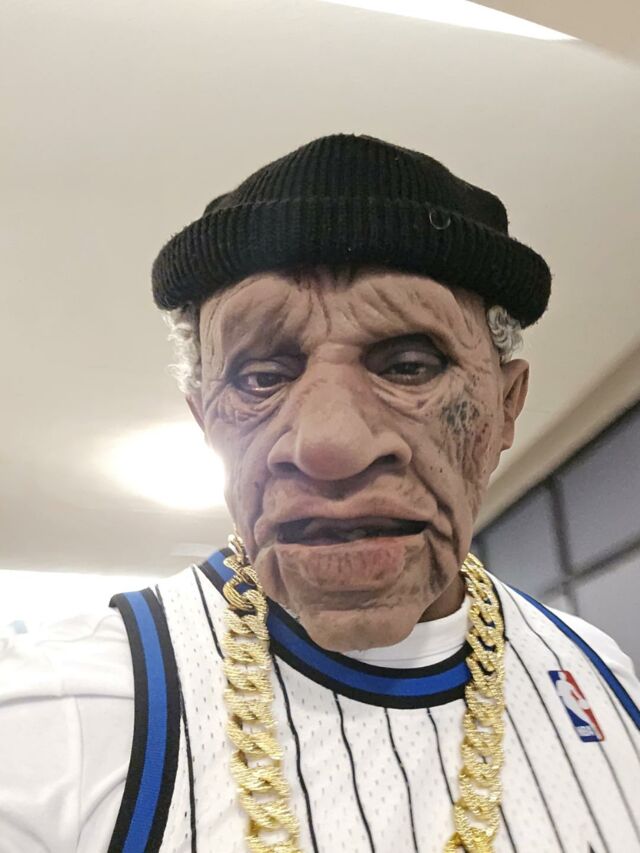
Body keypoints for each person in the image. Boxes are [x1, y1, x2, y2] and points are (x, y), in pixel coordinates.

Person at [1, 133, 639, 853]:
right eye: (260, 378)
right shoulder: (58, 716)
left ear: (505, 407)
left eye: (409, 365)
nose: (329, 446)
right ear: (207, 421)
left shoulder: (601, 676)